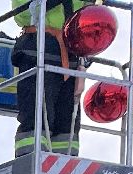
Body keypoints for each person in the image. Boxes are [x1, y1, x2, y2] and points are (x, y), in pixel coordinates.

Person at [12, 0, 83, 156]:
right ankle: (31, 160)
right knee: (36, 116)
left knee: (68, 121)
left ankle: (67, 167)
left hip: (71, 53)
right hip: (39, 49)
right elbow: (22, 14)